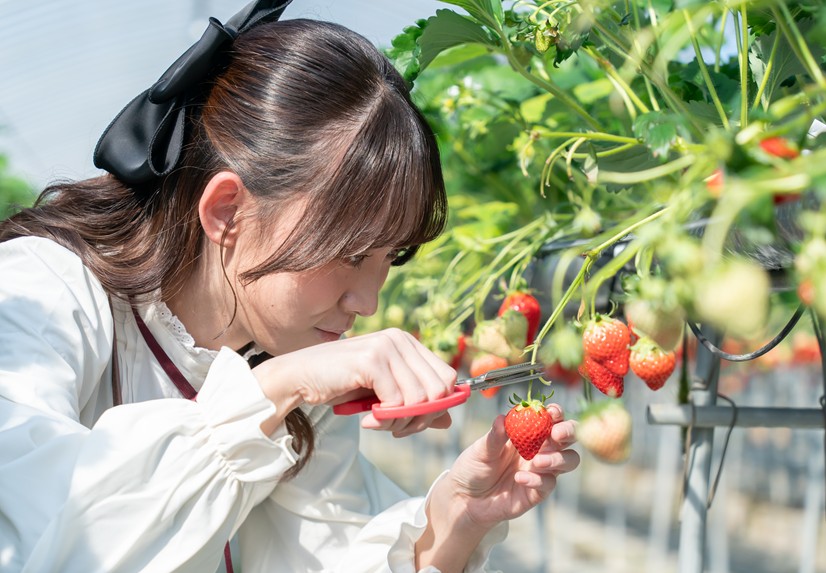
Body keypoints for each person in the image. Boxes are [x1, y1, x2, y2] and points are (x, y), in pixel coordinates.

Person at [0, 1, 580, 571]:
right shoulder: (39, 297)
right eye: (349, 253)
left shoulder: (287, 358)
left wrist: (454, 522)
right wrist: (277, 388)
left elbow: (323, 556)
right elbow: (52, 544)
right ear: (227, 211)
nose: (368, 302)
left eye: (390, 257)